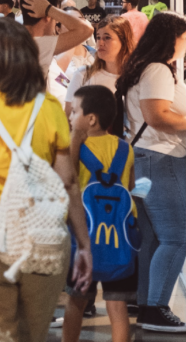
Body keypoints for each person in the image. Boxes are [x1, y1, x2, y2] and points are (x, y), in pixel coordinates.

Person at [0, 19, 92, 342]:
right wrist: (83, 244)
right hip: (42, 236)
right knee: (32, 335)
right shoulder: (49, 107)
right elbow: (67, 183)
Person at [115, 12, 186, 333]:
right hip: (162, 159)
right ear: (174, 37)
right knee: (177, 237)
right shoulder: (158, 69)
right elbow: (157, 116)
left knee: (155, 239)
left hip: (144, 159)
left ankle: (147, 304)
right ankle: (155, 307)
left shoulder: (144, 68)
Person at [63, 85, 136, 342]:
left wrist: (73, 139)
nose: (70, 117)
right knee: (118, 307)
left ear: (90, 119)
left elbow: (67, 178)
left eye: (74, 112)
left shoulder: (77, 146)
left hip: (85, 240)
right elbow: (129, 188)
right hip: (119, 240)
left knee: (76, 304)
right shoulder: (125, 149)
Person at [64, 16, 134, 117]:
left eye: (107, 38)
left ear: (123, 41)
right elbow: (68, 116)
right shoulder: (83, 74)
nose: (100, 43)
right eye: (98, 37)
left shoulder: (136, 78)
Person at [20, 0, 94, 76]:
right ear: (48, 17)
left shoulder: (17, 39)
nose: (57, 22)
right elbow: (86, 30)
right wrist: (49, 9)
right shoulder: (40, 44)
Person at [55, 7, 96, 79]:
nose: (77, 25)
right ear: (58, 29)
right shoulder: (54, 58)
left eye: (80, 20)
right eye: (70, 20)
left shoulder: (94, 54)